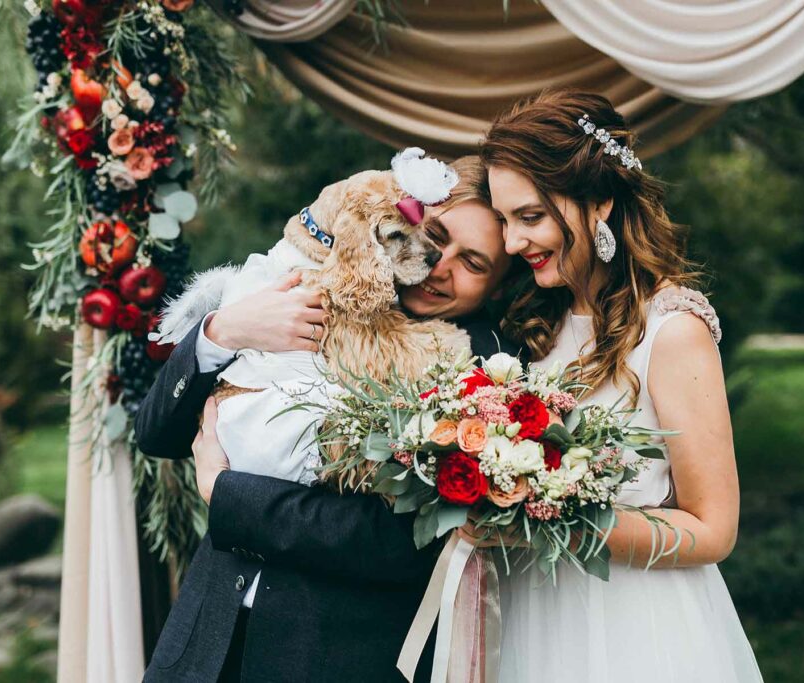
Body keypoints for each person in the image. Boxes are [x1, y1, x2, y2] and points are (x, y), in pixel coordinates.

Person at [136, 156, 518, 683]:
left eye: (472, 263)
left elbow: (397, 541)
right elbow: (156, 434)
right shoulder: (300, 289)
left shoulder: (478, 371)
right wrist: (224, 331)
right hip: (203, 645)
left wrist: (221, 491)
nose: (435, 263)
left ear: (497, 288)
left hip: (330, 656)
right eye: (433, 236)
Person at [474, 90, 763, 682]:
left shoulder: (672, 330)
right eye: (504, 220)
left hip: (637, 624)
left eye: (530, 217)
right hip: (531, 613)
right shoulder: (531, 326)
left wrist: (556, 518)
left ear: (599, 202)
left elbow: (713, 529)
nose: (510, 243)